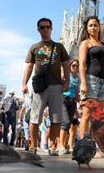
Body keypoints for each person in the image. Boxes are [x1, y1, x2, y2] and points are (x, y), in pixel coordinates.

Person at [22, 17, 70, 154]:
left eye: (47, 27)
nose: (45, 29)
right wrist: (24, 84)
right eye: (42, 27)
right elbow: (29, 67)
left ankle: (53, 145)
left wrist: (66, 80)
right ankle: (33, 145)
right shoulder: (34, 47)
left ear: (51, 29)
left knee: (56, 118)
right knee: (35, 117)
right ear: (38, 29)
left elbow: (66, 64)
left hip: (56, 85)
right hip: (39, 86)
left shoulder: (59, 47)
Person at [78, 16, 104, 140]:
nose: (93, 28)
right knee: (86, 114)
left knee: (98, 117)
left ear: (99, 27)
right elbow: (81, 63)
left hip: (103, 81)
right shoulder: (85, 43)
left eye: (95, 25)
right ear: (87, 28)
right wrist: (83, 83)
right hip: (91, 80)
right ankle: (82, 144)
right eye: (90, 25)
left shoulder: (102, 44)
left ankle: (91, 144)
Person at [57, 59, 80, 155]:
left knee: (69, 124)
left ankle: (63, 144)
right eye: (73, 65)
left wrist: (78, 105)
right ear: (69, 66)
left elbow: (77, 92)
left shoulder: (78, 78)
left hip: (73, 101)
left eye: (77, 66)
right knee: (65, 122)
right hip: (63, 99)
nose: (75, 67)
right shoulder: (67, 75)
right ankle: (60, 146)